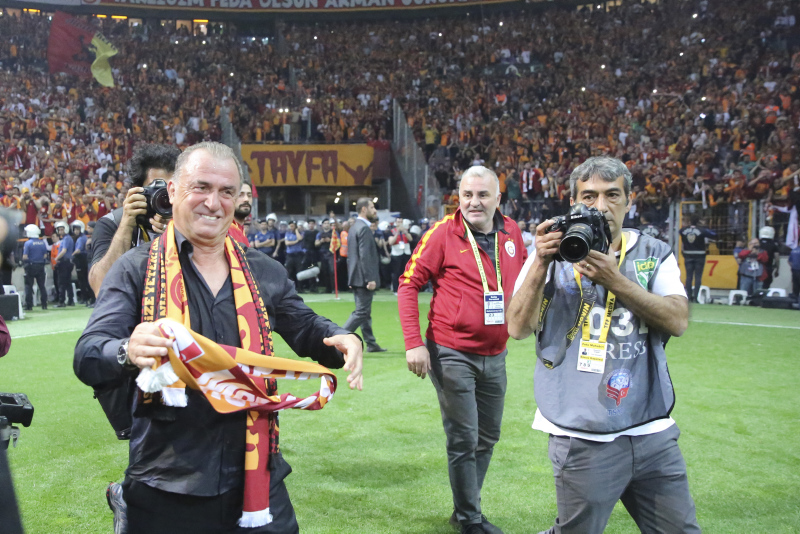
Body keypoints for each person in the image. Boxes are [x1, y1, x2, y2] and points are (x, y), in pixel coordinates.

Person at [74, 142, 364, 534]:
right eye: (201, 187)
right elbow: (89, 353)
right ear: (173, 191)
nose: (213, 203)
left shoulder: (264, 270)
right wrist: (127, 350)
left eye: (226, 191)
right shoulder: (134, 269)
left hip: (257, 478)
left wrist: (341, 337)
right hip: (166, 483)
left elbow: (306, 326)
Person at [507, 156, 700, 534]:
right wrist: (540, 263)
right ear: (573, 203)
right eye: (589, 196)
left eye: (612, 195)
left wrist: (616, 281)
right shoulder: (551, 253)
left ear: (629, 201)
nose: (601, 206)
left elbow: (677, 321)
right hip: (581, 431)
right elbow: (517, 328)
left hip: (650, 427)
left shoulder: (653, 252)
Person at [398, 166, 526, 534]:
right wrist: (413, 343)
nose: (473, 202)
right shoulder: (442, 233)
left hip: (496, 352)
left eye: (483, 195)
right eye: (467, 195)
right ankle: (470, 519)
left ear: (498, 198)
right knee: (464, 438)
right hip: (451, 351)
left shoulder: (512, 232)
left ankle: (464, 508)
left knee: (488, 436)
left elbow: (525, 283)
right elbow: (408, 285)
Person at [89, 143, 180, 296]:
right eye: (156, 189)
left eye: (171, 190)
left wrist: (177, 232)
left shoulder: (189, 222)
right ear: (137, 189)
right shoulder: (112, 223)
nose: (165, 198)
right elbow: (100, 287)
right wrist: (126, 225)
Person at [343, 198, 386, 353]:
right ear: (364, 209)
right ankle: (338, 338)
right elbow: (365, 256)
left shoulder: (354, 227)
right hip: (363, 278)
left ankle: (371, 343)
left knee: (364, 313)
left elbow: (352, 256)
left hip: (356, 277)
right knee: (361, 312)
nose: (375, 210)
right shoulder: (364, 229)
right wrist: (370, 278)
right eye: (372, 207)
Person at [679, 214, 716, 302]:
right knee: (698, 276)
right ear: (699, 221)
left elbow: (681, 234)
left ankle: (688, 296)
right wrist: (704, 227)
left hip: (687, 254)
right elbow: (713, 234)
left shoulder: (682, 230)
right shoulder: (702, 230)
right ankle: (696, 297)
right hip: (700, 255)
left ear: (689, 221)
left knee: (689, 276)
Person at [22, 224, 49, 310]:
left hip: (31, 266)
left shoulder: (28, 243)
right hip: (40, 266)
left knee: (28, 286)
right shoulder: (42, 242)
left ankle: (29, 305)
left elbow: (25, 257)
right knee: (42, 286)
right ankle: (44, 304)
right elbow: (45, 255)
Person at [71, 220, 94, 306]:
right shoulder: (84, 237)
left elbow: (78, 250)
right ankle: (88, 298)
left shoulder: (81, 238)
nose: (75, 231)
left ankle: (86, 298)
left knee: (82, 280)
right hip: (85, 259)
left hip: (81, 260)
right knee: (84, 280)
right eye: (75, 229)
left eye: (77, 229)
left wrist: (71, 256)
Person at [54, 220, 75, 307]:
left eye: (62, 229)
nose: (60, 231)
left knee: (61, 283)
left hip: (64, 262)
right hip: (68, 262)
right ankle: (70, 300)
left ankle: (61, 301)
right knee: (68, 282)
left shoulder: (66, 239)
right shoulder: (67, 238)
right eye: (59, 230)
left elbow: (64, 250)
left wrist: (56, 258)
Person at [230, 182, 253, 247]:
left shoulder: (241, 230)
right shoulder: (224, 232)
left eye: (249, 195)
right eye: (240, 195)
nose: (246, 199)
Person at [757, 226, 780, 290]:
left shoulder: (757, 243)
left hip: (756, 267)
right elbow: (777, 258)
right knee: (766, 283)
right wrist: (777, 269)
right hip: (768, 266)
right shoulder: (774, 244)